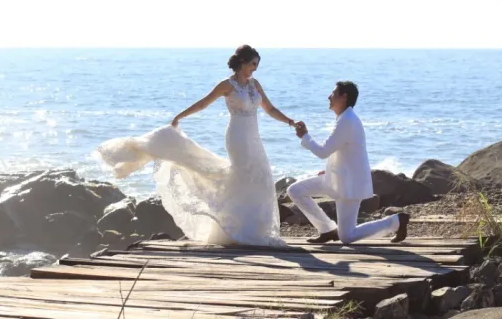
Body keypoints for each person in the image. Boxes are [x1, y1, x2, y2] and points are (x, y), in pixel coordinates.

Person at [95, 45, 296, 246]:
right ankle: (237, 230)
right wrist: (180, 116)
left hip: (254, 137)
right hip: (238, 137)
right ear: (242, 62)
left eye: (257, 65)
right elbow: (203, 103)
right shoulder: (227, 85)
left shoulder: (255, 84)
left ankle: (253, 228)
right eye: (253, 64)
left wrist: (290, 122)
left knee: (261, 175)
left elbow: (269, 108)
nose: (255, 68)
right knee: (243, 175)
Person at [289, 81, 410, 244]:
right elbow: (341, 151)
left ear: (344, 97)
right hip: (336, 178)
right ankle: (327, 229)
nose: (329, 97)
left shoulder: (347, 120)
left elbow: (323, 152)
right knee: (295, 190)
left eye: (333, 93)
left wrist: (305, 136)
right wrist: (329, 170)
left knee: (347, 236)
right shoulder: (344, 118)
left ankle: (396, 221)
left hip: (350, 184)